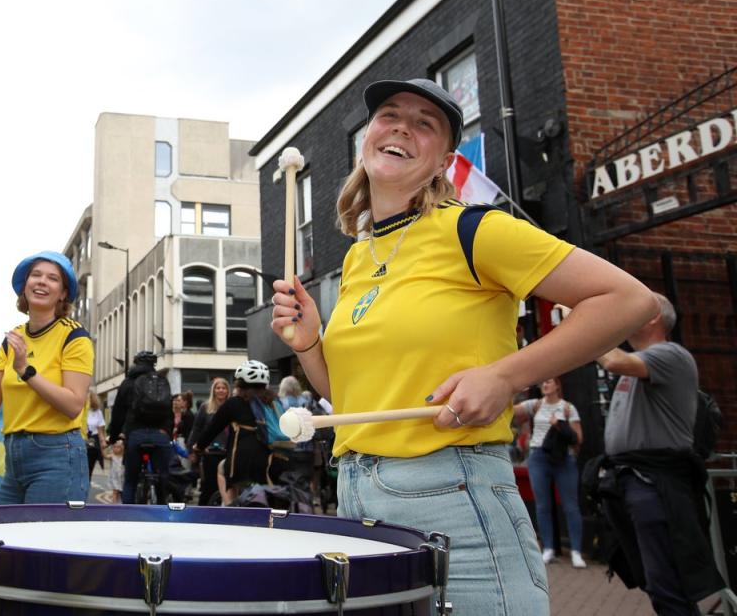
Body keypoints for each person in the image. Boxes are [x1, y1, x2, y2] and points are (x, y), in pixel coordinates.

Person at [269, 77, 658, 614]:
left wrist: (504, 376)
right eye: (389, 114)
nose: (402, 125)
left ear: (443, 161)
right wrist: (310, 341)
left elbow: (629, 299)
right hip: (357, 501)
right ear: (368, 136)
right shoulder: (359, 259)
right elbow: (351, 401)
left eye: (424, 122)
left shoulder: (473, 230)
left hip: (457, 496)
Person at [591, 293, 724, 614]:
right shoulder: (639, 366)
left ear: (651, 317)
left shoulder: (671, 355)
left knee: (668, 583)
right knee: (654, 580)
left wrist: (584, 328)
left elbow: (613, 360)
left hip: (654, 482)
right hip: (630, 481)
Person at [0, 251, 93, 504]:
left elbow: (73, 405)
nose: (41, 281)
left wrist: (26, 371)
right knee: (8, 539)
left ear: (63, 294)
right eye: (35, 275)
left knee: (40, 541)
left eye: (52, 278)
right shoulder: (12, 339)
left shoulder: (75, 337)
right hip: (14, 456)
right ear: (24, 287)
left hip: (58, 455)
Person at [192, 360, 290, 504]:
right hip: (276, 459)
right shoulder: (274, 402)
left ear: (240, 382)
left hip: (243, 462)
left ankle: (232, 510)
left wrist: (198, 447)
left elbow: (212, 429)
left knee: (222, 469)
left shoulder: (234, 403)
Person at [513, 377, 586, 568]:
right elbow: (511, 410)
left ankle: (577, 551)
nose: (545, 385)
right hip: (539, 456)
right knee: (542, 505)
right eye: (542, 382)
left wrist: (560, 426)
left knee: (571, 505)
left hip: (564, 458)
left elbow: (578, 437)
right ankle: (548, 548)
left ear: (557, 385)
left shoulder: (568, 408)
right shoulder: (535, 405)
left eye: (549, 382)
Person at [106, 351, 174, 504]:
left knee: (130, 480)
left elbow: (118, 413)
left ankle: (128, 517)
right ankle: (164, 511)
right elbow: (169, 411)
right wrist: (167, 433)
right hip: (160, 435)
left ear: (135, 363)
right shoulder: (161, 381)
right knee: (163, 478)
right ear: (154, 365)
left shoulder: (127, 383)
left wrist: (114, 435)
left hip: (135, 434)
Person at [188, 377, 231, 506]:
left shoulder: (232, 407)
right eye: (218, 388)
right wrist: (192, 448)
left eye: (223, 388)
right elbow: (196, 429)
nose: (221, 391)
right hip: (210, 453)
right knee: (208, 487)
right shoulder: (205, 408)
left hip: (228, 453)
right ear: (214, 390)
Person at [86, 393, 108, 474]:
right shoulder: (80, 409)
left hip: (93, 440)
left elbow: (100, 430)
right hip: (81, 438)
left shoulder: (97, 412)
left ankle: (87, 482)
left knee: (89, 466)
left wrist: (103, 442)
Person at [109, 440, 125, 504]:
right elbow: (105, 455)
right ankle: (114, 506)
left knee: (121, 492)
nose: (115, 448)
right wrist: (102, 446)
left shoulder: (124, 457)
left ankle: (118, 505)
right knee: (115, 492)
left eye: (118, 447)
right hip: (115, 477)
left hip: (122, 477)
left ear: (122, 448)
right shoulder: (112, 456)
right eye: (114, 447)